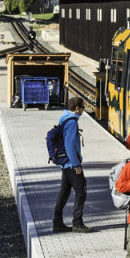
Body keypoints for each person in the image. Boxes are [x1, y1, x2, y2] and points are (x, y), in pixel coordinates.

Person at [52, 96, 91, 233]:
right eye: (83, 107)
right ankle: (77, 223)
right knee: (81, 191)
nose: (83, 110)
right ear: (77, 108)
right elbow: (69, 146)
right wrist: (76, 165)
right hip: (71, 163)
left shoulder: (64, 119)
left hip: (65, 163)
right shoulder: (72, 122)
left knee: (64, 192)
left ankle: (57, 223)